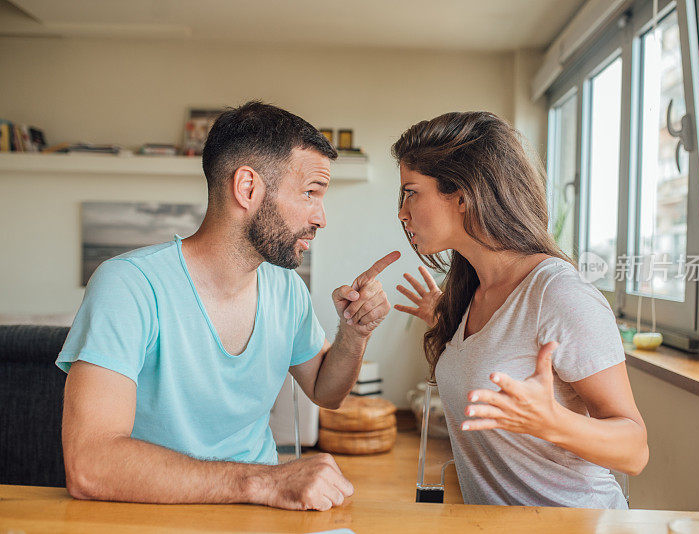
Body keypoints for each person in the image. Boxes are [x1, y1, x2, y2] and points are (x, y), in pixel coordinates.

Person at [57, 101, 400, 511]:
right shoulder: (128, 285)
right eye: (310, 193)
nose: (321, 217)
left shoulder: (287, 288)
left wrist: (355, 332)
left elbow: (327, 392)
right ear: (248, 188)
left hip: (264, 514)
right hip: (152, 513)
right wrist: (265, 482)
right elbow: (89, 465)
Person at [392, 111, 648, 508]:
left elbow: (635, 449)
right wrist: (447, 324)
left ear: (462, 194)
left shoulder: (558, 293)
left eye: (411, 192)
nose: (402, 211)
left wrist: (553, 422)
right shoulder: (471, 292)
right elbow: (503, 352)